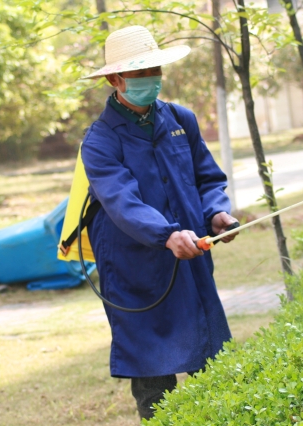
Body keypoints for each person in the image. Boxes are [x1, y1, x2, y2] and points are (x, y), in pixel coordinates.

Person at [80, 25, 239, 420]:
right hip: (133, 268)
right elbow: (122, 202)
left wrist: (216, 212)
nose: (151, 79)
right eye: (140, 73)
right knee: (154, 378)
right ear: (115, 80)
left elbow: (207, 179)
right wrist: (166, 234)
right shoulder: (99, 141)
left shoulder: (181, 119)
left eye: (155, 70)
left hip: (192, 257)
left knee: (213, 366)